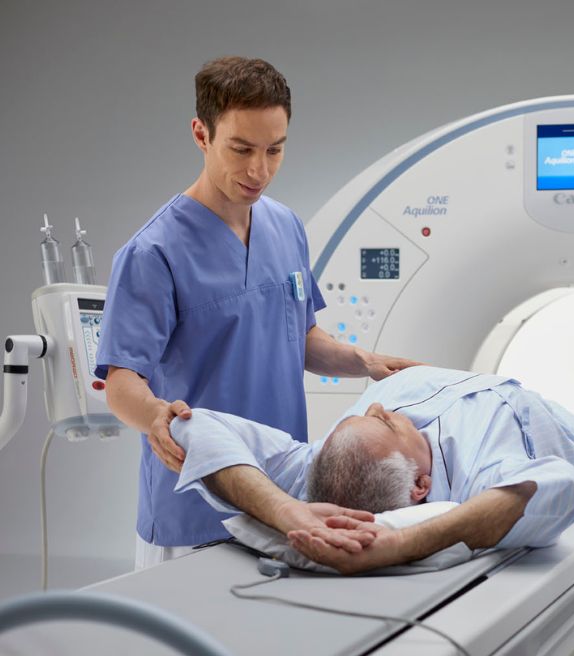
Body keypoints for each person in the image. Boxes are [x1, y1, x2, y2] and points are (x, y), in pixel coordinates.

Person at [96, 56, 419, 568]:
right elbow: (121, 381)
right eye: (241, 149)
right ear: (201, 134)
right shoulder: (153, 252)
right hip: (194, 505)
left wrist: (364, 360)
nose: (258, 170)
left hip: (284, 498)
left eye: (275, 150)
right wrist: (156, 416)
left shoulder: (285, 226)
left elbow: (300, 337)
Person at [168, 366, 574, 572]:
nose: (378, 407)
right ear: (421, 486)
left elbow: (195, 425)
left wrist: (286, 510)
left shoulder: (314, 469)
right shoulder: (482, 472)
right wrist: (400, 544)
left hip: (447, 380)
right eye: (388, 426)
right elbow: (560, 487)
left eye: (367, 415)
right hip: (537, 418)